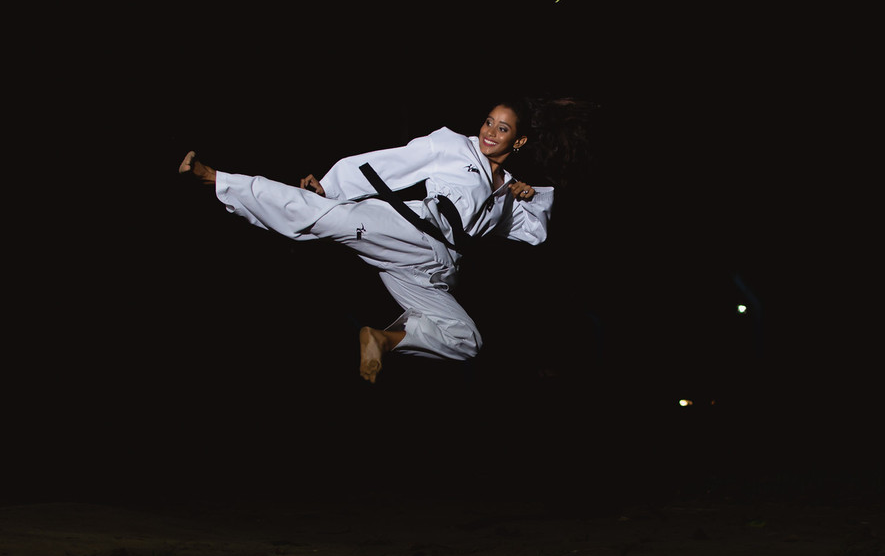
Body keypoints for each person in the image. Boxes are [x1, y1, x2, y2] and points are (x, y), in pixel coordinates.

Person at [178, 97, 592, 383]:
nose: (489, 132)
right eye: (488, 121)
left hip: (435, 270)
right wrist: (329, 186)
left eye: (502, 129)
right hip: (409, 232)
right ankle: (217, 179)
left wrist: (528, 193)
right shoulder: (454, 147)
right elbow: (392, 161)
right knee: (325, 216)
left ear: (517, 141)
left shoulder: (508, 196)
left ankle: (382, 339)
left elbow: (537, 232)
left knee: (466, 340)